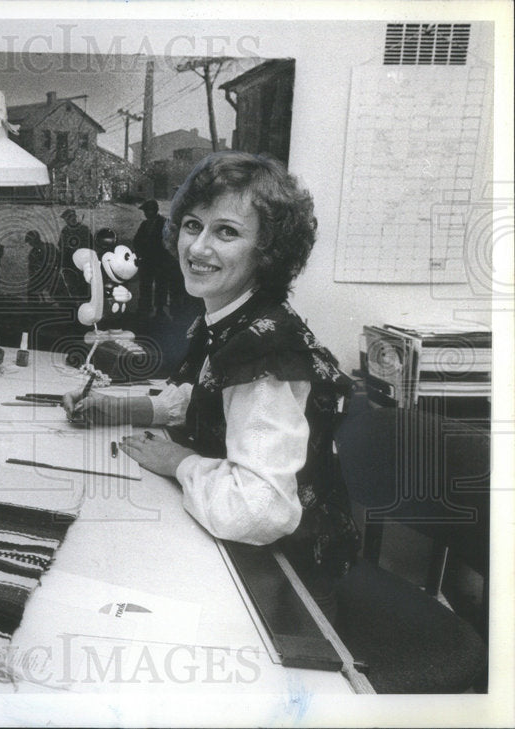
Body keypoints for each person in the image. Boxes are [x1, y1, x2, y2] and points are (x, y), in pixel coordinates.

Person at [62, 151, 359, 577]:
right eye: (192, 225)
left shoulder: (264, 350)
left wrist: (177, 461)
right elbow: (204, 397)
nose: (198, 247)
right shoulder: (233, 315)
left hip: (288, 576)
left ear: (267, 250)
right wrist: (121, 408)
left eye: (226, 232)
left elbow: (258, 508)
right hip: (247, 552)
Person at [132, 199, 189, 320]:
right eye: (145, 211)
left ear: (154, 210)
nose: (146, 214)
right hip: (146, 261)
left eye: (148, 211)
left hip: (161, 261)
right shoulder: (144, 225)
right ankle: (145, 308)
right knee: (145, 285)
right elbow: (137, 241)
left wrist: (167, 259)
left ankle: (160, 309)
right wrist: (138, 254)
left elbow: (169, 242)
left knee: (160, 285)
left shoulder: (164, 223)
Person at [55, 208, 93, 301]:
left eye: (73, 217)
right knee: (72, 285)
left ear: (75, 217)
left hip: (83, 261)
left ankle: (85, 302)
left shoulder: (84, 229)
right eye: (68, 218)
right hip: (69, 262)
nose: (71, 220)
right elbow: (61, 246)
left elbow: (91, 244)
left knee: (84, 284)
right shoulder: (65, 231)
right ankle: (76, 303)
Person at [25, 229, 59, 305]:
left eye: (30, 241)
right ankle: (34, 307)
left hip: (52, 274)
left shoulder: (49, 247)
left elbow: (58, 259)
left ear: (36, 239)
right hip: (41, 276)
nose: (30, 244)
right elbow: (31, 268)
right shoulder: (33, 253)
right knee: (31, 288)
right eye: (29, 242)